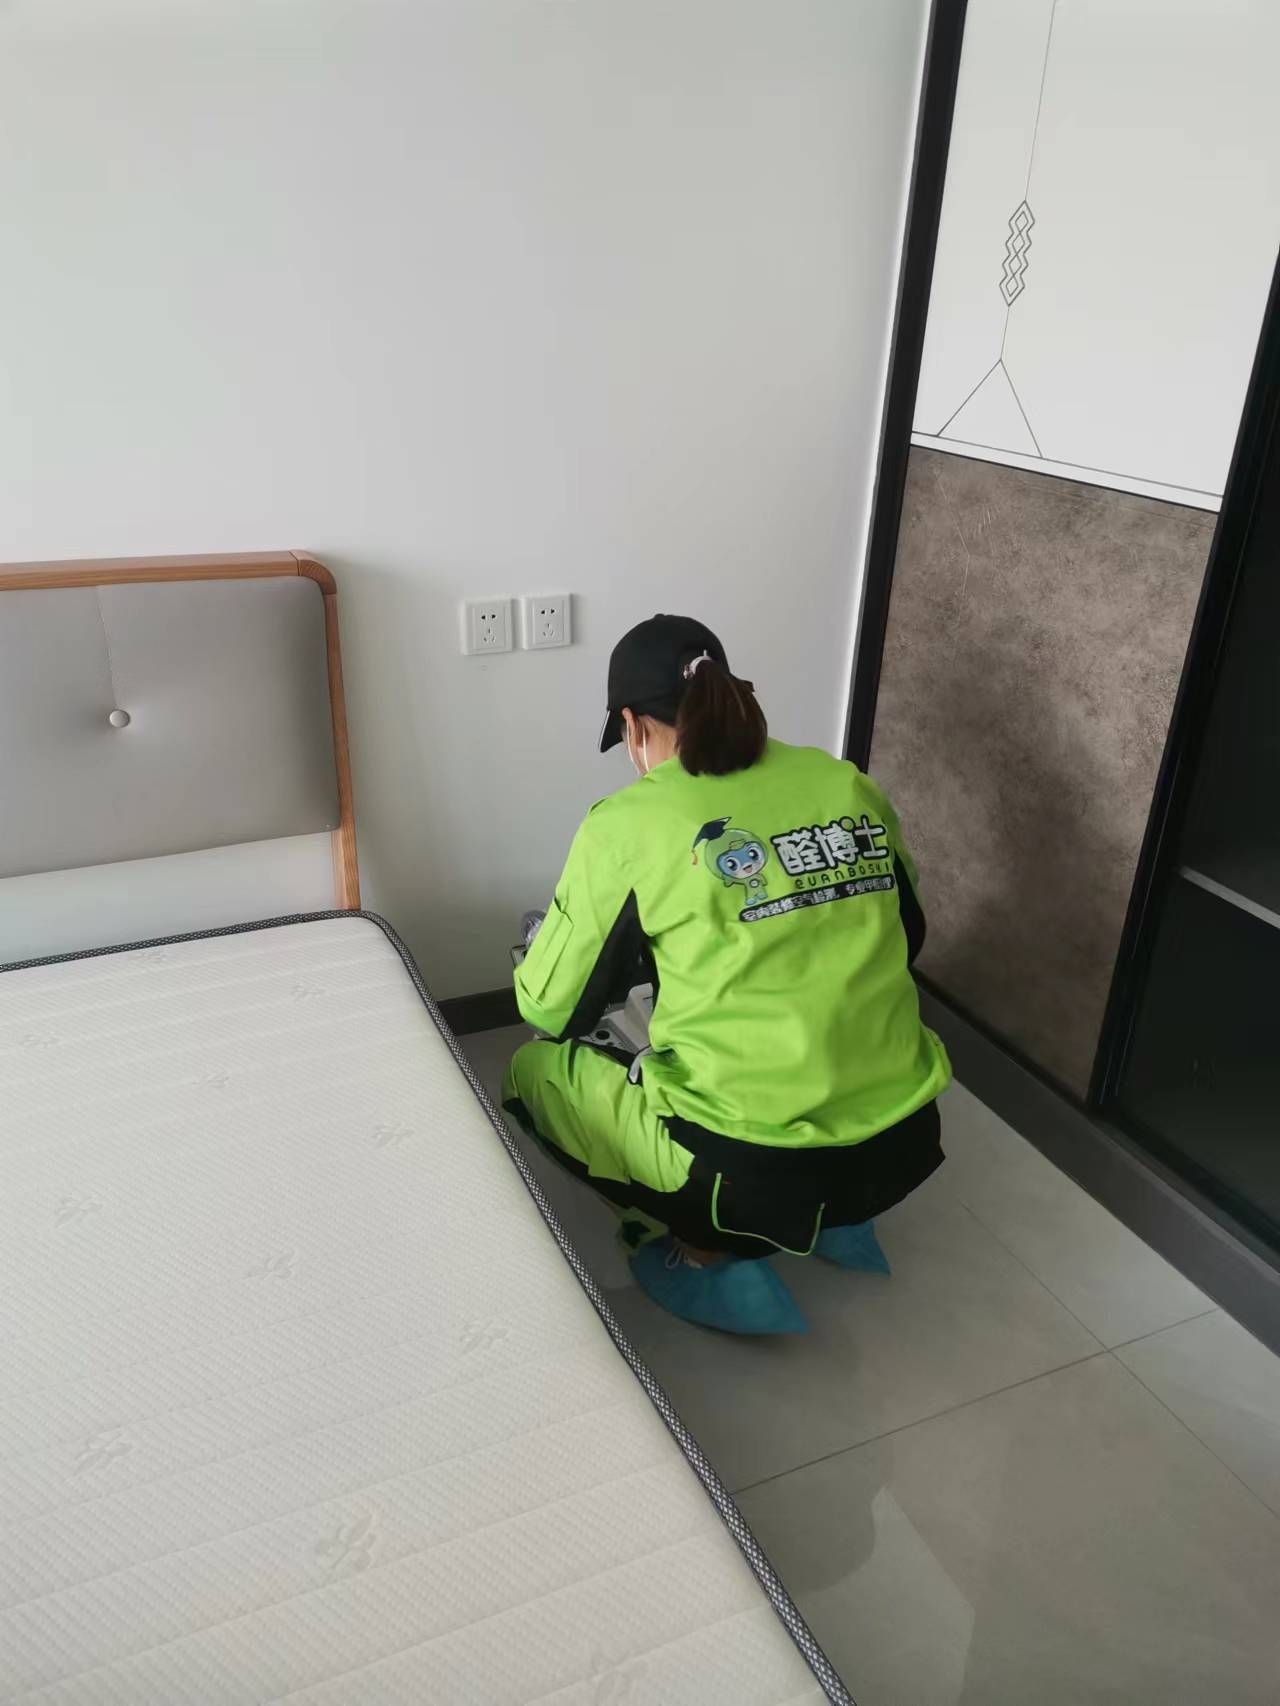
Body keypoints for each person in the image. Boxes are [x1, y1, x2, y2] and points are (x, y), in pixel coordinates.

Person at [502, 614, 951, 1334]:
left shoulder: (629, 823)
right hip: (903, 1140)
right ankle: (840, 1227)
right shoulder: (840, 782)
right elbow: (910, 931)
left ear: (633, 727)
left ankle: (704, 1255)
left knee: (532, 1073)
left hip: (749, 1177)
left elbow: (551, 1008)